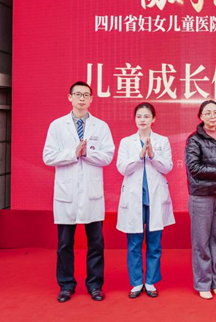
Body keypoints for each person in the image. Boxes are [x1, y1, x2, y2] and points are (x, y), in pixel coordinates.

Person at [43, 81, 115, 303]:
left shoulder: (101, 126)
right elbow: (48, 156)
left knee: (96, 243)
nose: (81, 98)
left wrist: (87, 154)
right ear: (70, 97)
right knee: (65, 243)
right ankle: (66, 285)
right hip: (67, 193)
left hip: (92, 194)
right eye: (77, 94)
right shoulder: (57, 125)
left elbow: (108, 156)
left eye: (86, 95)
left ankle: (95, 285)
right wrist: (72, 153)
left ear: (92, 99)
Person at [116, 102, 175, 299]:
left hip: (155, 198)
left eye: (147, 116)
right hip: (134, 198)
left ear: (153, 119)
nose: (142, 119)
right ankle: (136, 283)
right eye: (139, 116)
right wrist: (139, 156)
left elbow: (167, 167)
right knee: (134, 243)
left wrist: (152, 155)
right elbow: (122, 168)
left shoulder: (162, 141)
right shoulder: (126, 142)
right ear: (135, 119)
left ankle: (150, 282)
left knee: (154, 243)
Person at [185, 100, 216, 300]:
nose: (212, 116)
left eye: (215, 112)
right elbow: (194, 168)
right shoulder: (194, 139)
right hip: (201, 196)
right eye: (208, 113)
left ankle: (215, 282)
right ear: (201, 116)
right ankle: (202, 283)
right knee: (201, 241)